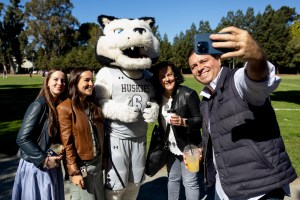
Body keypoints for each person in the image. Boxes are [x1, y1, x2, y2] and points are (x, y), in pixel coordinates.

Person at [187, 26, 297, 200]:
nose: (199, 68)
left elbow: (257, 80)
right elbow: (219, 135)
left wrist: (256, 57)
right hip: (225, 189)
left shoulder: (236, 80)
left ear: (218, 60)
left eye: (204, 61)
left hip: (260, 190)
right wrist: (203, 149)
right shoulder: (206, 100)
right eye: (193, 66)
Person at [12, 68, 68, 200]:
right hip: (36, 165)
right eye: (55, 79)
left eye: (63, 81)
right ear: (47, 82)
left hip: (51, 164)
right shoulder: (39, 105)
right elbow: (22, 138)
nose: (60, 83)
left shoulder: (58, 106)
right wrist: (44, 160)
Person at [151, 61, 203, 200]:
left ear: (175, 75)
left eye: (169, 74)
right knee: (173, 179)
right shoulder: (157, 97)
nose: (167, 79)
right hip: (170, 148)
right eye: (162, 76)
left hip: (190, 146)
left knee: (190, 182)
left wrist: (183, 121)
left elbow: (200, 120)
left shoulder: (188, 94)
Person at [57, 67, 105, 200]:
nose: (91, 84)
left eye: (92, 80)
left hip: (97, 164)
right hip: (82, 167)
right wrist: (74, 171)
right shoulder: (65, 108)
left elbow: (100, 135)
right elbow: (67, 144)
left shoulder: (93, 105)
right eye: (87, 80)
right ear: (75, 82)